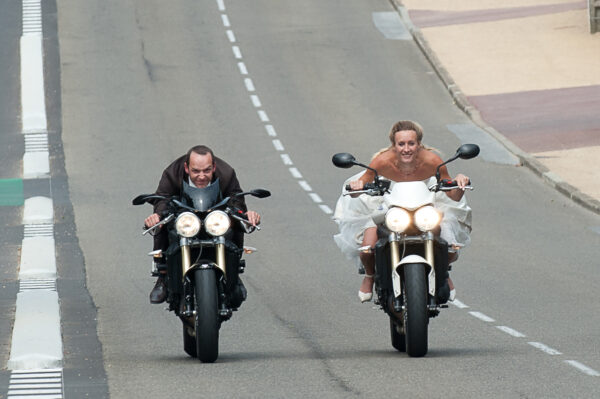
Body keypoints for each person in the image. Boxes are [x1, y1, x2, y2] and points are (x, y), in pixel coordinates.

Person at [333, 120, 472, 302]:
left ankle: (443, 272)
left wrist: (459, 183)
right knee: (367, 249)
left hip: (424, 203)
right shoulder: (382, 161)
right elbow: (359, 190)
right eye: (401, 144)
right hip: (388, 202)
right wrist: (357, 185)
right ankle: (369, 276)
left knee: (450, 246)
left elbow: (451, 193)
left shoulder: (432, 161)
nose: (406, 149)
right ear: (394, 145)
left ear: (419, 144)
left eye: (411, 143)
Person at [144, 145, 260, 304]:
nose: (201, 176)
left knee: (235, 222)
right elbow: (162, 197)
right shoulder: (172, 173)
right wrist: (157, 215)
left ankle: (233, 275)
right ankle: (163, 276)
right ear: (186, 168)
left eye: (206, 170)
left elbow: (236, 199)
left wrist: (246, 216)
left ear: (214, 167)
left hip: (214, 215)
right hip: (184, 215)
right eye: (196, 171)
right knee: (162, 224)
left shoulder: (226, 173)